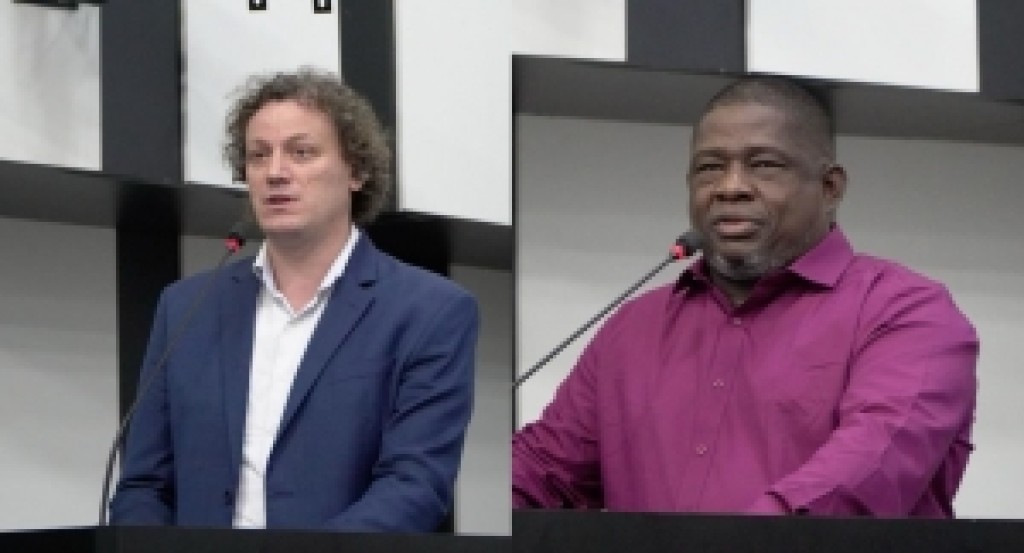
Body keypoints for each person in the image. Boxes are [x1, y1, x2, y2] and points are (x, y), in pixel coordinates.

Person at [512, 76, 978, 517]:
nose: (729, 187)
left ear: (830, 187)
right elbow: (543, 471)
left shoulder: (906, 312)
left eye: (763, 165)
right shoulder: (633, 326)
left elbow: (869, 470)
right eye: (709, 168)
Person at [109, 68, 479, 531]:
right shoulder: (187, 308)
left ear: (357, 171)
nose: (275, 173)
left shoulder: (430, 310)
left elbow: (415, 486)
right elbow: (144, 486)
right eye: (258, 156)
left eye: (301, 153)